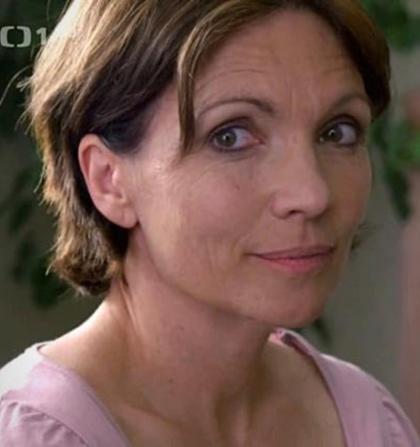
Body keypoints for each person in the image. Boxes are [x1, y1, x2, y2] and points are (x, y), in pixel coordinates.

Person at [0, 0, 419, 445]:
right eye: (231, 136)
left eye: (338, 132)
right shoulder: (32, 436)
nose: (313, 195)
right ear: (109, 180)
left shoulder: (368, 419)